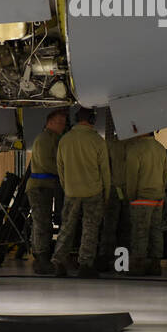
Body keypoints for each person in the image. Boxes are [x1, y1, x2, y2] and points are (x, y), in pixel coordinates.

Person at [53, 106, 110, 278]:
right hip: (93, 192)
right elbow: (105, 171)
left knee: (67, 228)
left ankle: (59, 262)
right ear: (92, 120)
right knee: (90, 229)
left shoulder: (65, 140)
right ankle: (85, 265)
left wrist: (67, 187)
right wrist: (106, 194)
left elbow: (60, 168)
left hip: (71, 191)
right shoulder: (97, 141)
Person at [26, 108, 68, 275]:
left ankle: (41, 255)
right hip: (40, 186)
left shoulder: (53, 138)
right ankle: (41, 258)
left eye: (63, 123)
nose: (62, 126)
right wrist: (65, 173)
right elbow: (46, 163)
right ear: (49, 122)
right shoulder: (45, 139)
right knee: (42, 222)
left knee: (42, 222)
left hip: (45, 186)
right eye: (59, 122)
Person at [125, 132, 167, 276]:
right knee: (156, 231)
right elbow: (165, 173)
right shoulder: (160, 148)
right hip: (158, 198)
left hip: (142, 198)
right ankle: (156, 265)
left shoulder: (136, 149)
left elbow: (132, 177)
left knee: (140, 232)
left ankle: (138, 265)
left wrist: (131, 197)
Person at [98, 129, 131, 273]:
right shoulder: (135, 144)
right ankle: (122, 263)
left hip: (113, 189)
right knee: (126, 227)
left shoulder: (110, 144)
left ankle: (105, 259)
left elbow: (105, 168)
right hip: (128, 190)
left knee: (109, 227)